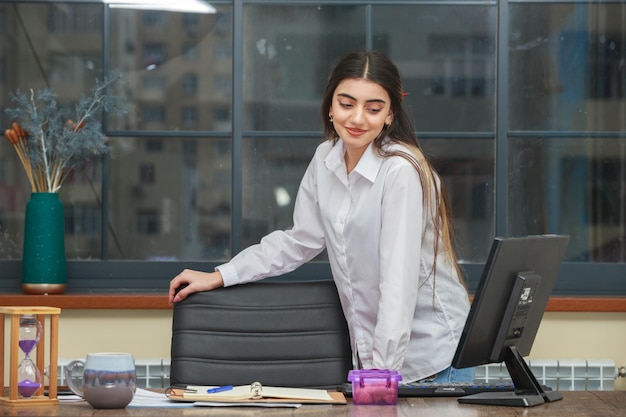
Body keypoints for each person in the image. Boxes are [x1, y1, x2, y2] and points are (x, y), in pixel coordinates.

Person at [169, 49, 473, 384]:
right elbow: (300, 240)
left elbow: (397, 282)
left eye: (373, 109)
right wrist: (221, 275)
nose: (357, 118)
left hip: (432, 355)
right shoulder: (325, 158)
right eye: (346, 104)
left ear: (390, 115)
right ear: (330, 106)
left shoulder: (400, 171)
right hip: (378, 359)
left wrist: (379, 374)